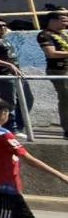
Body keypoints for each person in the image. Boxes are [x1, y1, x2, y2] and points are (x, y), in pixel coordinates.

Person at [0, 19, 34, 136]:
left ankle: (19, 126)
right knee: (9, 103)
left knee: (27, 99)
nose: (2, 27)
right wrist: (8, 64)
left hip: (15, 75)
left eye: (5, 25)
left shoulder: (1, 39)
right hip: (3, 75)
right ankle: (11, 128)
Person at [35, 10, 68, 138]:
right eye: (63, 20)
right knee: (66, 99)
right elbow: (51, 53)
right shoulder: (44, 35)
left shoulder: (62, 34)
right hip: (59, 71)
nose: (66, 22)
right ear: (53, 20)